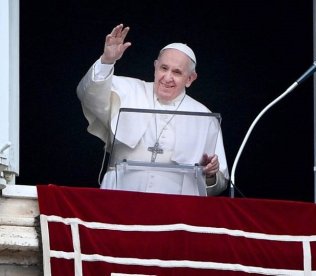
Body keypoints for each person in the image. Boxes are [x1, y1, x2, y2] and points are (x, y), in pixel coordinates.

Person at [77, 24, 229, 196]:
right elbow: (88, 94)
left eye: (177, 72)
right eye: (164, 68)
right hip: (121, 196)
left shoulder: (205, 117)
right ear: (155, 66)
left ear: (190, 79)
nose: (167, 77)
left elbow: (219, 183)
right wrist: (107, 61)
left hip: (176, 206)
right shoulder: (128, 89)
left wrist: (210, 174)